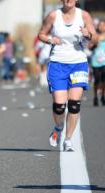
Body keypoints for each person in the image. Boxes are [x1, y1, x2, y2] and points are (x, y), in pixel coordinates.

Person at [38, 0, 98, 151]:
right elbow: (41, 34)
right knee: (59, 105)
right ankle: (59, 127)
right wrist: (50, 40)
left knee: (74, 103)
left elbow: (95, 38)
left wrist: (88, 34)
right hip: (58, 63)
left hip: (78, 63)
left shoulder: (84, 15)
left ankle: (68, 139)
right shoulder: (53, 15)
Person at [91, 20, 105, 106]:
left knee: (104, 80)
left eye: (104, 26)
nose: (102, 27)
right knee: (97, 79)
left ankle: (103, 96)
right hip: (96, 61)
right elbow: (89, 47)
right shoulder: (95, 36)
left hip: (104, 62)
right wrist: (95, 44)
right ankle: (95, 97)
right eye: (100, 25)